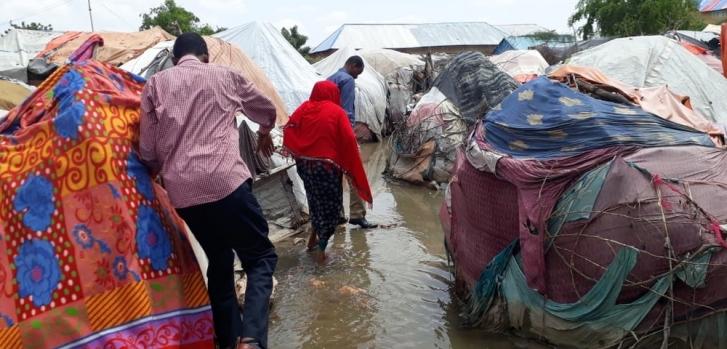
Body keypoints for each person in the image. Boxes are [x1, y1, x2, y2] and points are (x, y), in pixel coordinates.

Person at [139, 32, 277, 349]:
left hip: (184, 195)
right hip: (226, 184)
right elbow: (265, 109)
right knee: (261, 258)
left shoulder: (156, 85)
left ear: (175, 60)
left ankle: (228, 341)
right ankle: (252, 339)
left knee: (218, 259)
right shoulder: (224, 75)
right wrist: (266, 131)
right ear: (206, 57)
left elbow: (147, 151)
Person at [283, 80, 373, 254]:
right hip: (326, 168)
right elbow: (348, 139)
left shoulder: (304, 107)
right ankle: (322, 252)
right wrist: (346, 160)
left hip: (305, 165)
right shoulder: (337, 112)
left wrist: (299, 150)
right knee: (331, 208)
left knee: (315, 200)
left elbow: (289, 128)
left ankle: (312, 241)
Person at [327, 55, 378, 229]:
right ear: (353, 65)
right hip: (342, 134)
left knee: (334, 176)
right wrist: (350, 137)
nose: (357, 77)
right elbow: (347, 111)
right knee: (355, 174)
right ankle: (356, 215)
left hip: (329, 136)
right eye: (358, 72)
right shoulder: (347, 80)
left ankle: (338, 214)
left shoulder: (330, 78)